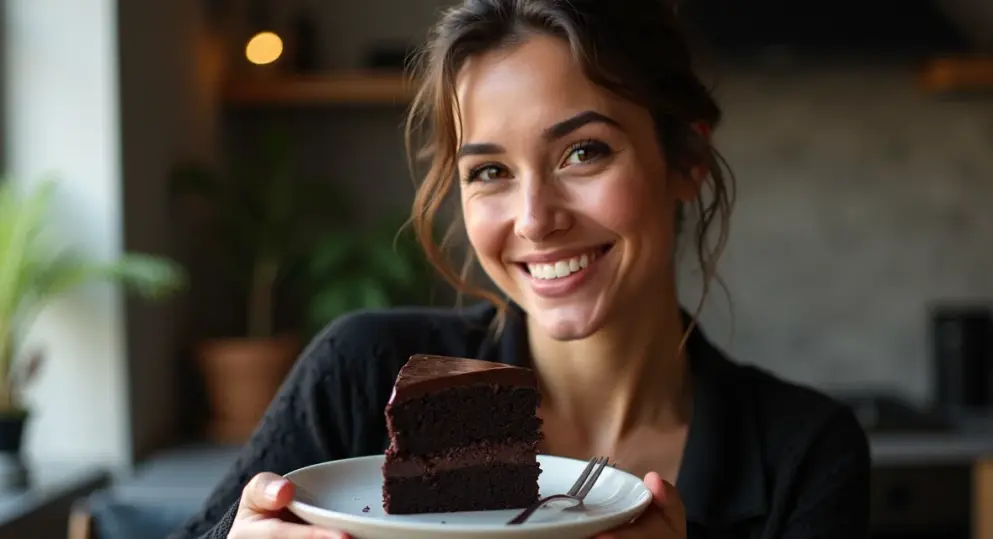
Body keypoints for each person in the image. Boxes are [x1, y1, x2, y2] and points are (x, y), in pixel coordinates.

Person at [172, 1, 871, 538]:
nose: (535, 219)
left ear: (686, 159)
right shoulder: (362, 375)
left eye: (584, 152)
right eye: (490, 171)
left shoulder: (801, 455)